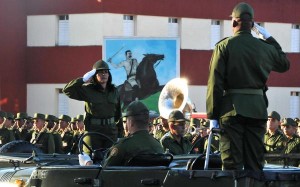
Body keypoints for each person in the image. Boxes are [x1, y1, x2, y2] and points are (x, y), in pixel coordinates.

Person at [206, 2, 290, 171]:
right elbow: (284, 64)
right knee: (255, 165)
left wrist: (213, 115)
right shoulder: (265, 48)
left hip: (231, 110)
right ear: (252, 25)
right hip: (257, 110)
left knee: (231, 164)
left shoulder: (224, 46)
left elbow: (215, 83)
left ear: (234, 22)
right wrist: (269, 38)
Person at [63, 60, 123, 154]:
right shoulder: (88, 90)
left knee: (111, 160)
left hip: (111, 131)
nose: (103, 74)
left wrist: (120, 135)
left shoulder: (114, 91)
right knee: (91, 158)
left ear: (109, 75)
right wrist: (83, 79)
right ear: (94, 75)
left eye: (106, 72)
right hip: (93, 131)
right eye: (100, 72)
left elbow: (118, 114)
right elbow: (67, 90)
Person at [78, 101, 164, 166]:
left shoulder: (123, 146)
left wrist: (87, 163)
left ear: (130, 122)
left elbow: (103, 173)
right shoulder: (157, 145)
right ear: (148, 121)